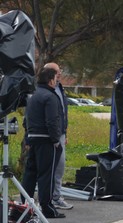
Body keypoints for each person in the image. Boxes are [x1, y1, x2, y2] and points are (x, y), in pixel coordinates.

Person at [21, 67, 65, 218]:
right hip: (47, 140)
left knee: (30, 173)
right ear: (51, 80)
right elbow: (52, 120)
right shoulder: (50, 96)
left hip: (33, 138)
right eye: (56, 78)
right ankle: (47, 208)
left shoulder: (34, 96)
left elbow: (26, 120)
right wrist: (55, 140)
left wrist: (28, 137)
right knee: (47, 175)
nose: (57, 81)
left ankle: (25, 205)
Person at [45, 62, 73, 210]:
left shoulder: (60, 88)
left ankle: (56, 196)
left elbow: (63, 113)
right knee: (49, 167)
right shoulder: (46, 91)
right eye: (57, 71)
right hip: (49, 135)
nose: (60, 73)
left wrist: (65, 133)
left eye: (60, 70)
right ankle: (49, 198)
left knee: (60, 166)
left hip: (60, 133)